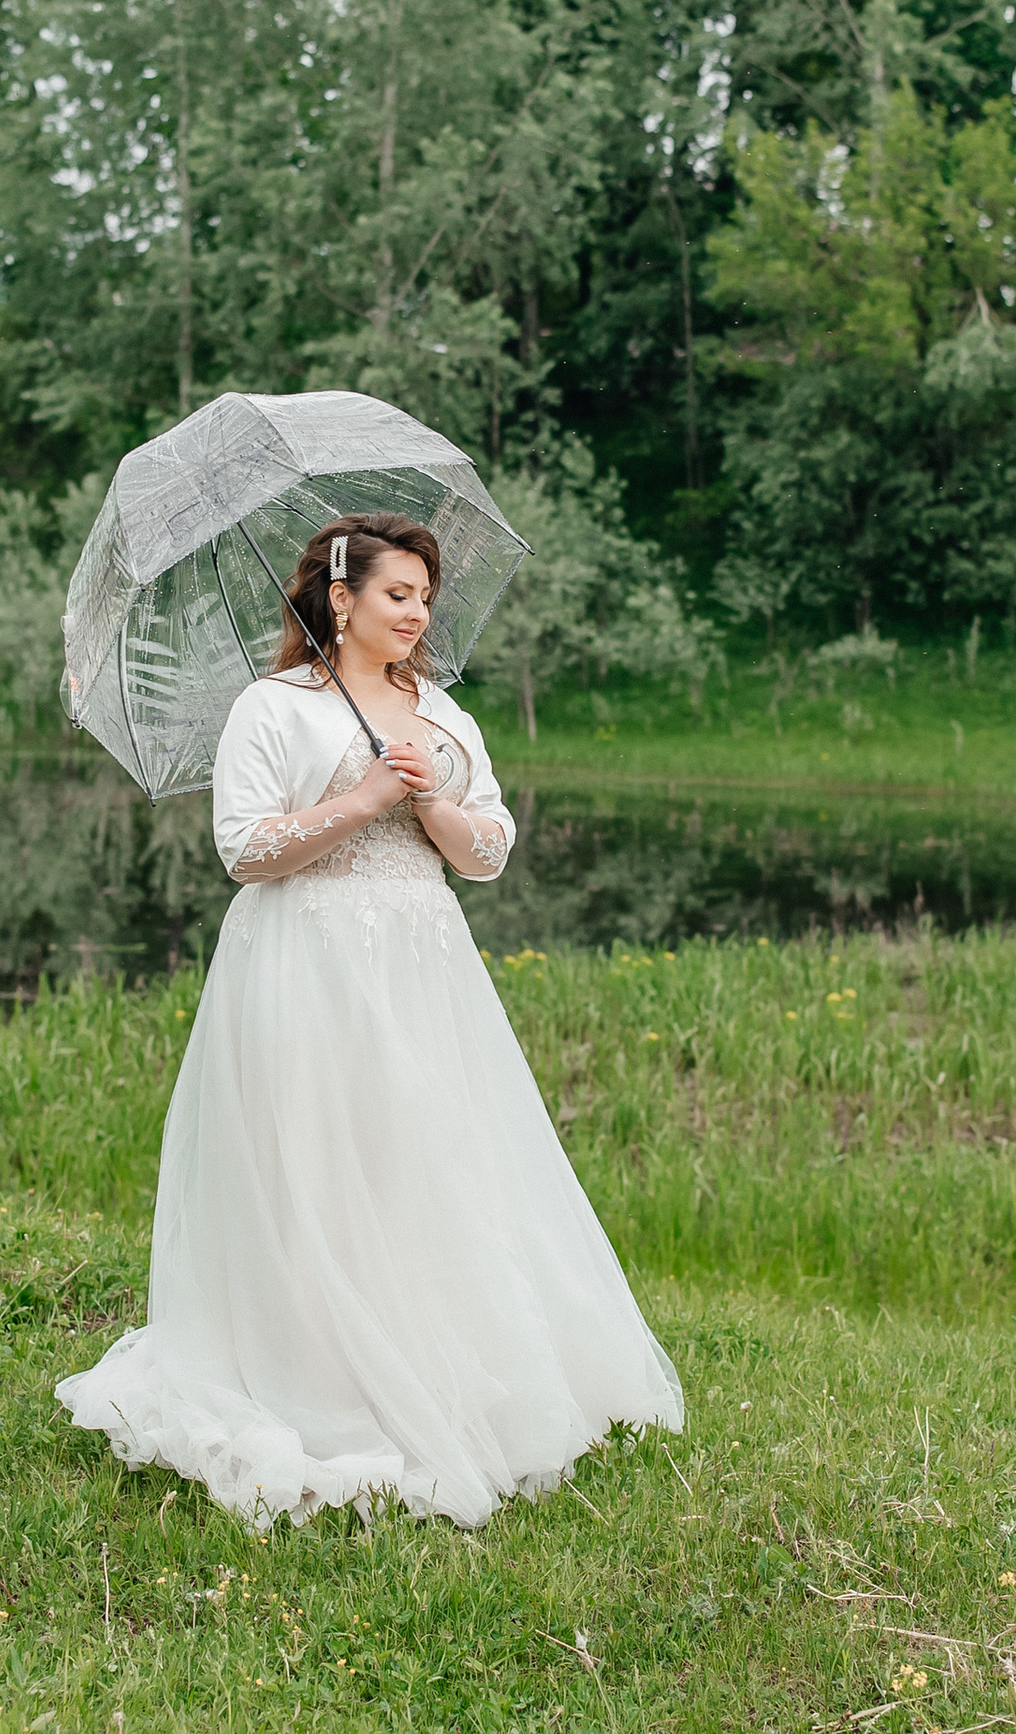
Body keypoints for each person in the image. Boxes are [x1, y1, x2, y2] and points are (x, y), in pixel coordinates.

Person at [55, 511, 683, 1526]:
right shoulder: (272, 708)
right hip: (300, 959)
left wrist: (432, 804)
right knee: (314, 1160)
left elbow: (487, 852)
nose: (417, 612)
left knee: (423, 1158)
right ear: (339, 600)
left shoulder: (445, 717)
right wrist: (354, 800)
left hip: (421, 967)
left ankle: (448, 1361)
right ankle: (314, 1373)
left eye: (425, 596)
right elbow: (244, 849)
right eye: (397, 593)